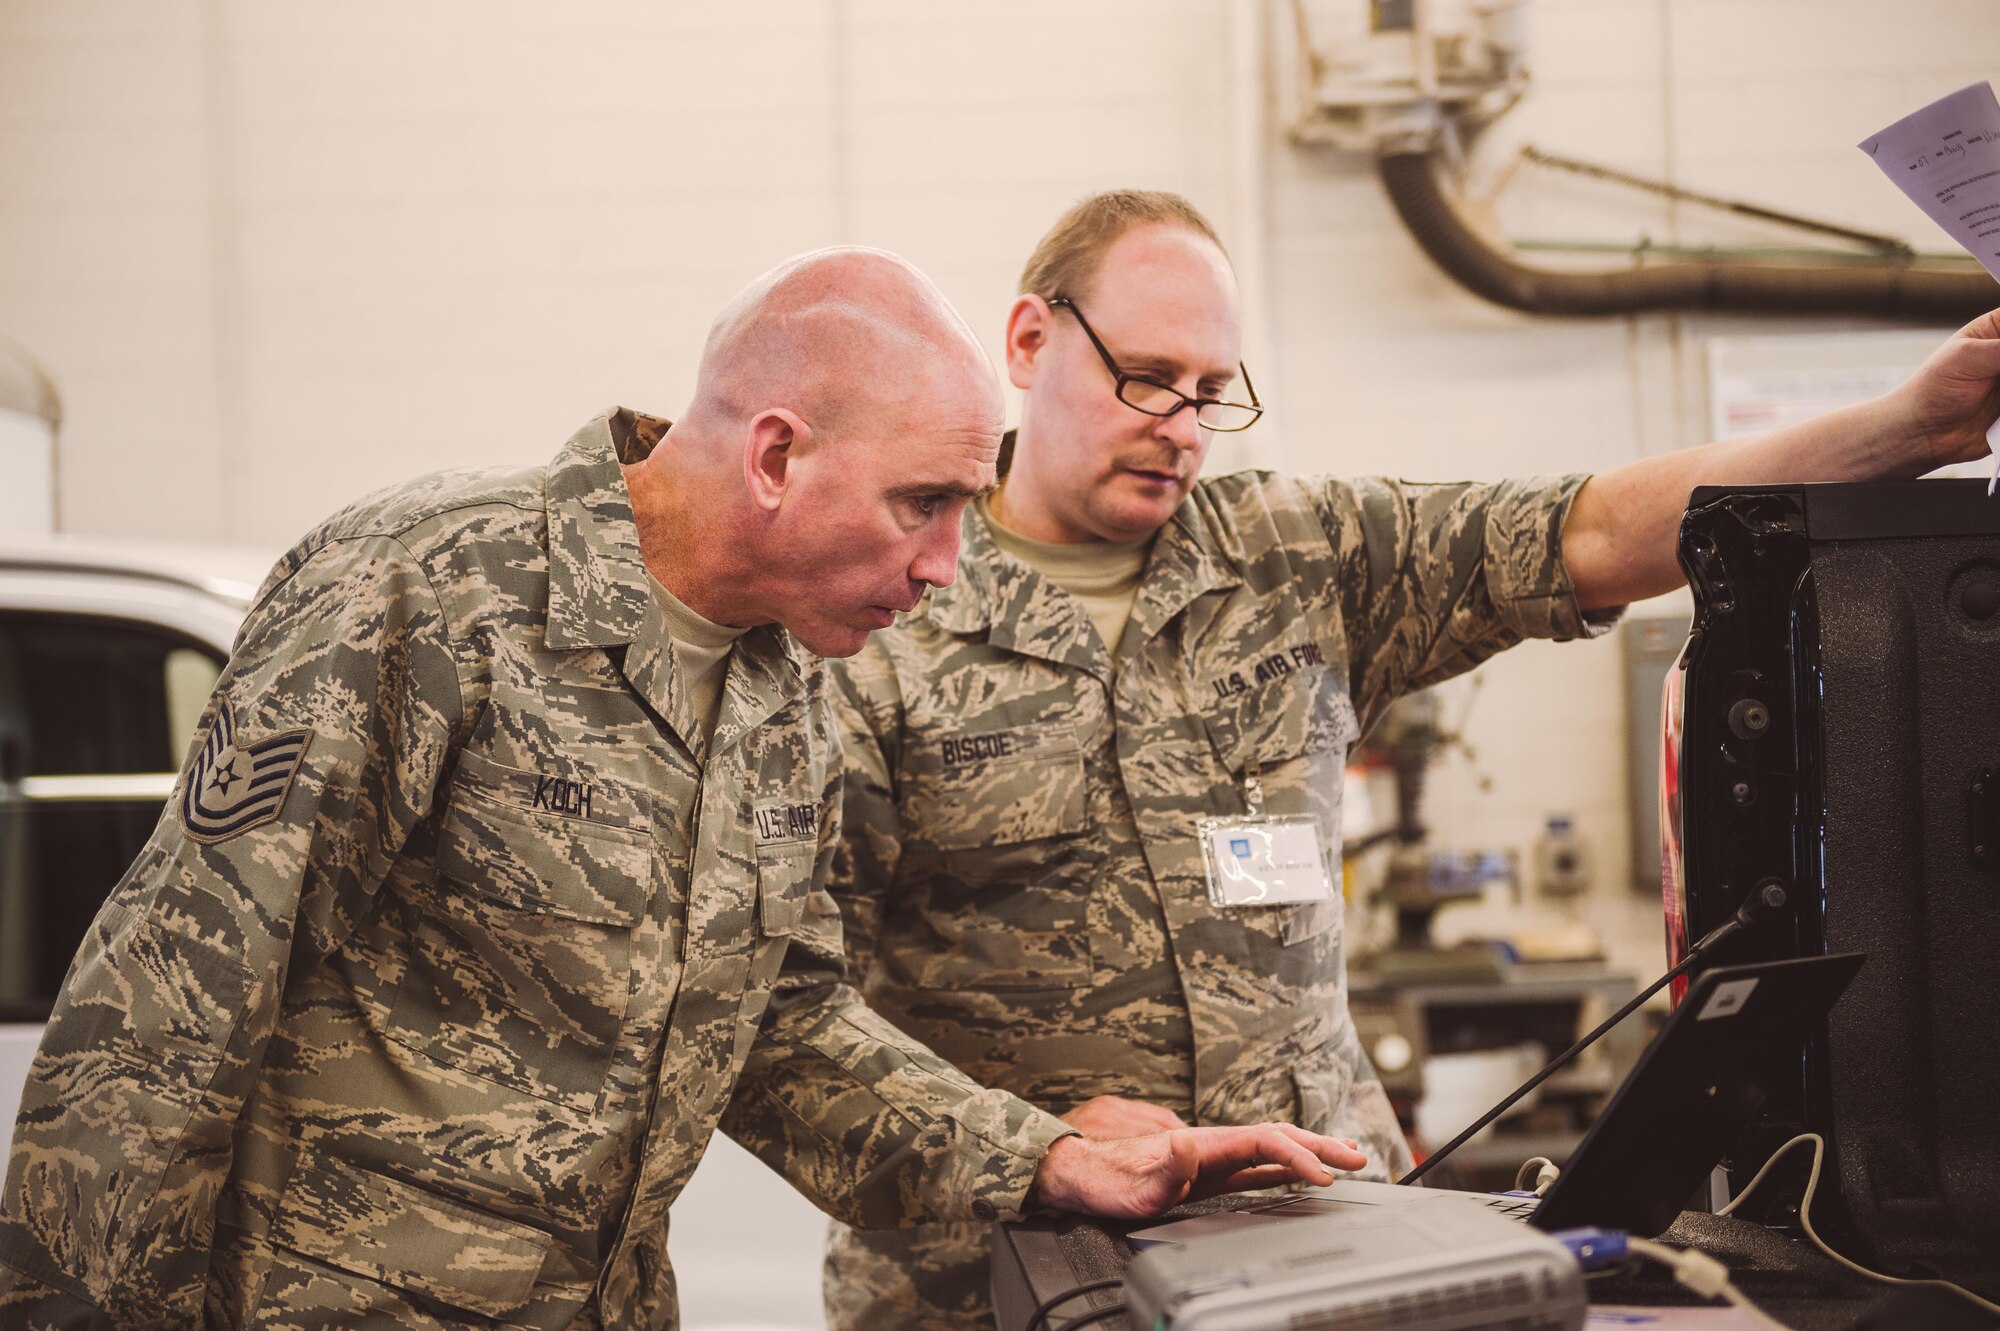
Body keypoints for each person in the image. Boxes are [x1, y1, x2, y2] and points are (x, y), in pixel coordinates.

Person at [0, 247, 1366, 1331]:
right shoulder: (431, 589)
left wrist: (1045, 1155)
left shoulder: (787, 690)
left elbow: (782, 1028)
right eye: (924, 504)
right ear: (775, 456)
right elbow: (165, 1006)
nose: (953, 563)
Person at [808, 191, 2000, 1330]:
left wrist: (1909, 425)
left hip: (1324, 1233)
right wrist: (1036, 1141)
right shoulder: (878, 610)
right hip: (994, 1270)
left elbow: (1582, 527)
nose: (1179, 421)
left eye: (1210, 390)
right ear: (1028, 337)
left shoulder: (1296, 556)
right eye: (1146, 376)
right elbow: (791, 1007)